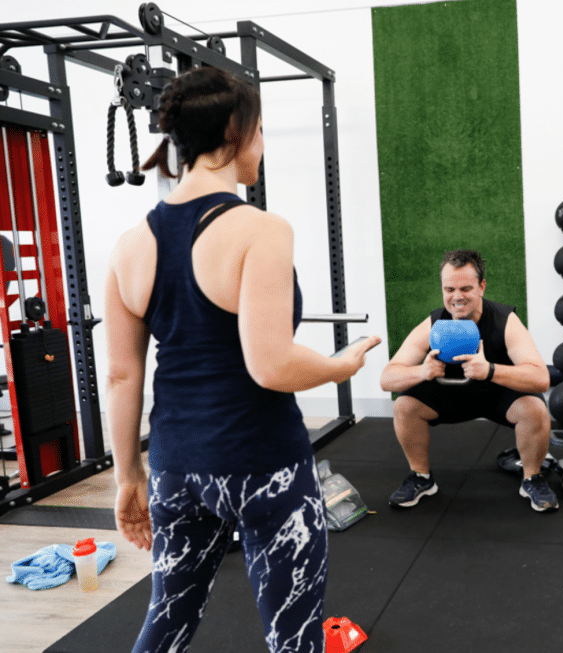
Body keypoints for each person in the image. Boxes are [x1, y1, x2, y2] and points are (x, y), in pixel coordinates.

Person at [105, 66, 380, 653]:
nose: (262, 145)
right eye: (260, 131)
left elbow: (122, 375)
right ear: (235, 131)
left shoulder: (130, 246)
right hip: (263, 465)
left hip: (176, 468)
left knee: (168, 618)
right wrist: (343, 364)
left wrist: (128, 475)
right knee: (294, 637)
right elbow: (271, 365)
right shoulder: (260, 229)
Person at [379, 250, 558, 512]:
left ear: (481, 287)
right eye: (449, 289)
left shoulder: (505, 321)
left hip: (498, 398)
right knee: (404, 405)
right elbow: (387, 378)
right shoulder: (434, 323)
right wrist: (423, 372)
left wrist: (490, 371)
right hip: (449, 398)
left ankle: (532, 478)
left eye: (465, 288)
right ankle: (421, 477)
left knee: (535, 409)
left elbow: (541, 378)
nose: (457, 297)